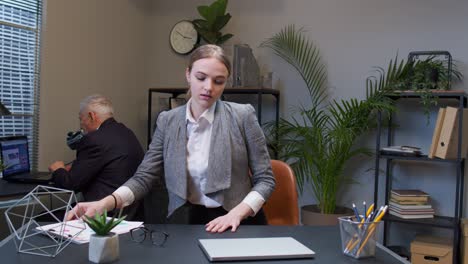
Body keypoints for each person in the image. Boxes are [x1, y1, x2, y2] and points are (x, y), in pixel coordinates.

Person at [68, 45, 276, 233]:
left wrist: (237, 213)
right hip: (191, 222)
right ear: (188, 75)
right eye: (201, 78)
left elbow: (265, 180)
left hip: (240, 222)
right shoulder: (168, 121)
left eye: (218, 81)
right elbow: (144, 177)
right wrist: (104, 203)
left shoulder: (242, 116)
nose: (208, 87)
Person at [49, 95, 145, 211]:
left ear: (91, 116)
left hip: (104, 215)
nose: (81, 125)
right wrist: (76, 165)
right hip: (130, 210)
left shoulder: (93, 139)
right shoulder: (126, 132)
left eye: (81, 119)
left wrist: (58, 169)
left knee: (42, 218)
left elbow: (70, 184)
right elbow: (105, 161)